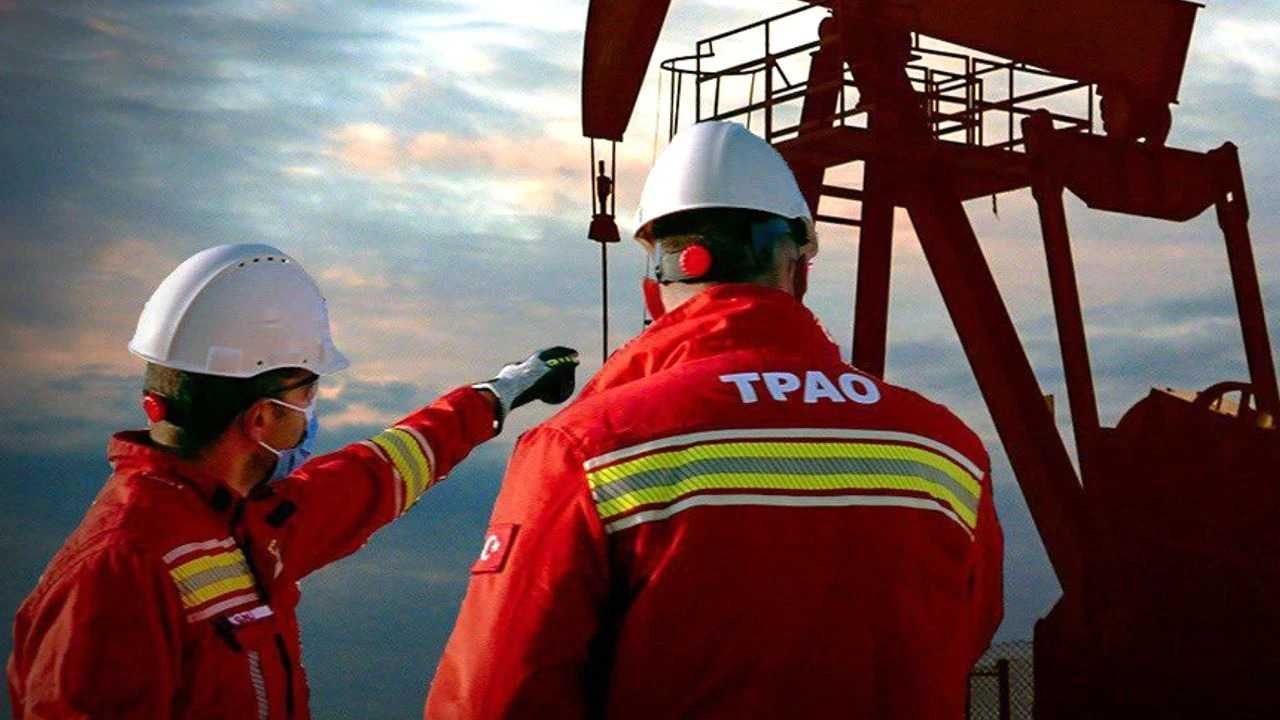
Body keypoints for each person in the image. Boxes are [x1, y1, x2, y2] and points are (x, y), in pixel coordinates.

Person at [425, 121, 1003, 718]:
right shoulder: (946, 448)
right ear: (798, 268)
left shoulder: (583, 447)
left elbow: (495, 695)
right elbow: (967, 627)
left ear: (656, 282)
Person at [7, 243, 579, 719]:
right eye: (307, 392)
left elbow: (380, 472)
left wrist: (501, 393)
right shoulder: (114, 573)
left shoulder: (247, 524)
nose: (311, 411)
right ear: (260, 418)